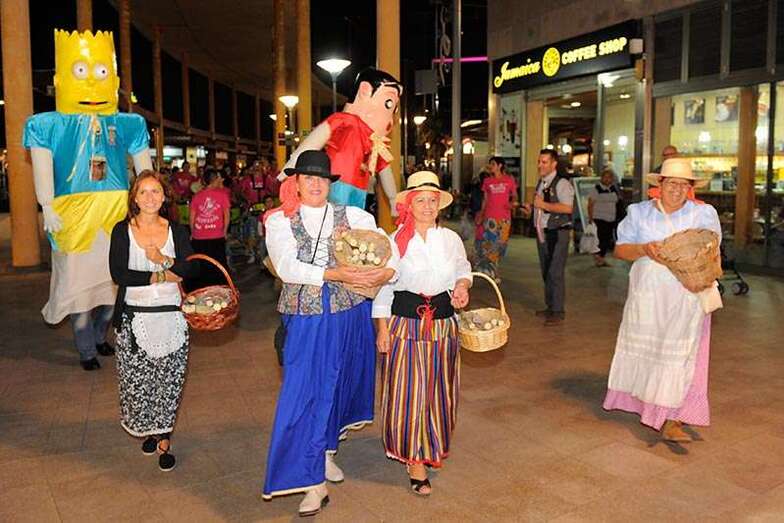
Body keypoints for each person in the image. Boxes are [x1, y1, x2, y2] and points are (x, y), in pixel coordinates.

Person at [262, 150, 398, 517]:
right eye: (308, 178)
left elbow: (389, 249)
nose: (316, 184)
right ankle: (311, 481)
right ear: (296, 183)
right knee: (303, 392)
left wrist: (387, 272)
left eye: (322, 178)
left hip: (350, 313)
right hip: (307, 318)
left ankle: (324, 452)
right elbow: (287, 267)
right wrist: (333, 273)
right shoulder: (279, 221)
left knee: (338, 384)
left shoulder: (353, 215)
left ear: (330, 184)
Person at [603, 158, 721, 442]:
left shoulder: (702, 214)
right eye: (672, 183)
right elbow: (620, 250)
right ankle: (649, 407)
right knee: (652, 353)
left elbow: (714, 251)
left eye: (684, 185)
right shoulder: (640, 213)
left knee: (680, 356)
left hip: (686, 298)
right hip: (648, 299)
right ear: (660, 184)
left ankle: (672, 418)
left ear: (690, 188)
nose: (677, 190)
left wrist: (706, 272)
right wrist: (644, 249)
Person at [373, 171, 471, 496]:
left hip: (443, 324)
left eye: (432, 200)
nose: (428, 206)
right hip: (406, 325)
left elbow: (463, 269)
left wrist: (462, 287)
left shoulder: (451, 239)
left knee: (439, 390)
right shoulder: (395, 241)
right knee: (409, 392)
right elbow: (384, 289)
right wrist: (382, 329)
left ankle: (431, 445)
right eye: (421, 200)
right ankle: (414, 459)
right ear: (409, 204)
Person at [109, 171, 198, 471]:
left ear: (164, 196)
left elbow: (190, 269)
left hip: (171, 316)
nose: (150, 197)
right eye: (143, 192)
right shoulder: (122, 231)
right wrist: (160, 276)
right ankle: (150, 428)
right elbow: (119, 274)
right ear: (134, 198)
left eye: (156, 191)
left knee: (169, 381)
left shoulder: (177, 230)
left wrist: (163, 259)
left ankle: (164, 438)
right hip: (134, 319)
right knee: (138, 382)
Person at [522, 149, 574, 326]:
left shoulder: (562, 183)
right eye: (539, 161)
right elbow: (541, 206)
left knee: (555, 272)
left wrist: (543, 205)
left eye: (544, 162)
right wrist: (532, 209)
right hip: (543, 231)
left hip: (557, 232)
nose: (540, 165)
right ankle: (551, 306)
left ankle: (558, 311)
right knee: (546, 271)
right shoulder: (543, 182)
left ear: (554, 164)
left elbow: (568, 208)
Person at [475, 157, 518, 283]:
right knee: (491, 244)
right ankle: (493, 272)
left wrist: (512, 203)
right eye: (490, 164)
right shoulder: (487, 181)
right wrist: (481, 213)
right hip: (490, 217)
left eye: (493, 164)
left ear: (500, 166)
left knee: (501, 245)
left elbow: (514, 196)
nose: (491, 166)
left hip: (504, 217)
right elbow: (485, 199)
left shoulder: (509, 180)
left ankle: (491, 270)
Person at [189, 168, 230, 289]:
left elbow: (192, 218)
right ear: (215, 180)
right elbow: (227, 216)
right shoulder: (222, 195)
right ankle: (218, 291)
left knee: (202, 265)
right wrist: (224, 232)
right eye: (218, 178)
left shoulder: (197, 196)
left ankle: (202, 290)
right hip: (216, 236)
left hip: (199, 237)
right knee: (218, 266)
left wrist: (193, 232)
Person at [587, 168, 621, 267]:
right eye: (605, 177)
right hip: (599, 218)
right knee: (601, 239)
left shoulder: (614, 188)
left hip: (611, 218)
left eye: (609, 177)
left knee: (607, 239)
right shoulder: (596, 188)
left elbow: (618, 200)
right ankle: (599, 258)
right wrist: (590, 218)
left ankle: (600, 258)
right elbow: (590, 204)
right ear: (601, 178)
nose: (607, 179)